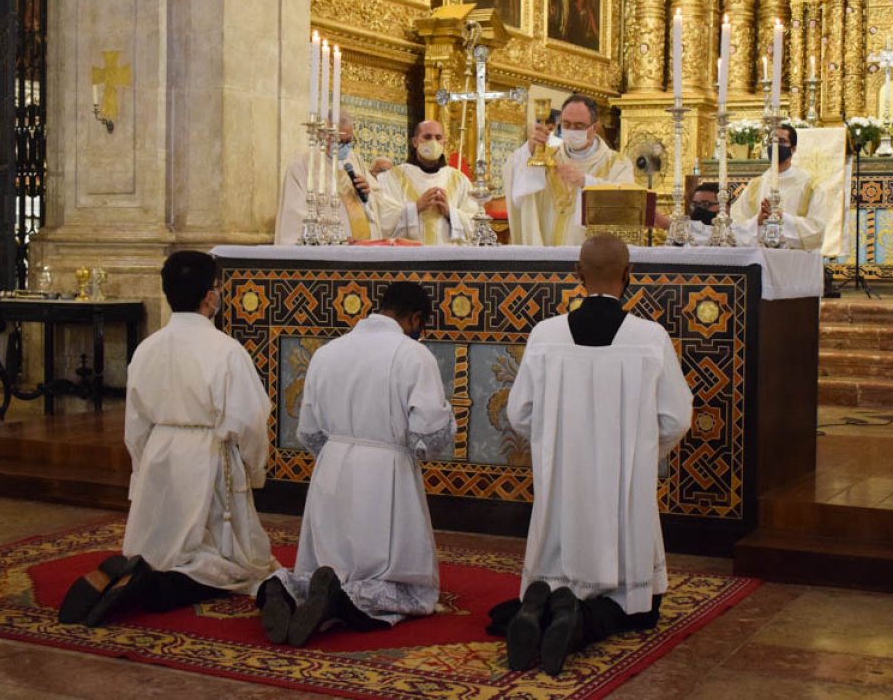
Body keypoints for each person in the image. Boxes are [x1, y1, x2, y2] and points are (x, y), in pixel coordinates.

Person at [488, 234, 694, 676]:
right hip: (625, 492)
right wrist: (637, 450)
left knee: (535, 584)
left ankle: (545, 601)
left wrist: (553, 442)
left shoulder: (546, 335)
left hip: (562, 483)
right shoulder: (649, 337)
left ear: (577, 275)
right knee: (640, 613)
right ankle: (578, 620)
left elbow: (518, 413)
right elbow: (676, 418)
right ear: (629, 275)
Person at [59, 251, 276, 626]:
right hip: (208, 457)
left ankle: (142, 573)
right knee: (240, 568)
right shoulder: (226, 351)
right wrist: (255, 470)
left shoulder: (147, 348)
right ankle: (162, 588)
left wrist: (143, 472)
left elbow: (136, 423)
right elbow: (251, 421)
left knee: (160, 547)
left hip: (160, 454)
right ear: (211, 296)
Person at [258, 282, 457, 646]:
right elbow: (428, 435)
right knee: (399, 584)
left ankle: (285, 589)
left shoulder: (328, 352)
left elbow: (308, 430)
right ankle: (338, 599)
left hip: (332, 465)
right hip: (386, 471)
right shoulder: (413, 355)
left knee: (327, 559)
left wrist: (337, 455)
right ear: (415, 317)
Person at [504, 95, 637, 246]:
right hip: (547, 259)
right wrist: (530, 148)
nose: (572, 130)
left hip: (590, 261)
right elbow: (511, 171)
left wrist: (586, 182)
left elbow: (628, 204)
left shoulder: (618, 164)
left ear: (595, 127)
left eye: (579, 126)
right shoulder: (546, 158)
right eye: (566, 124)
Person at [275, 111, 382, 244]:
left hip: (364, 247)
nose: (346, 147)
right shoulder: (302, 168)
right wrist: (328, 238)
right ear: (323, 135)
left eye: (349, 141)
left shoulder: (355, 161)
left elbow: (379, 203)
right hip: (331, 250)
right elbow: (295, 219)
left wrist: (367, 195)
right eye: (340, 140)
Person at [377, 120, 481, 244]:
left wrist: (450, 212)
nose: (433, 142)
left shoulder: (460, 180)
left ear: (444, 143)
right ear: (415, 142)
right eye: (427, 137)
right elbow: (382, 219)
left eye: (438, 138)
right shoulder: (392, 178)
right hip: (409, 258)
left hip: (448, 258)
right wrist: (415, 208)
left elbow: (475, 224)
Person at [730, 124, 828, 250]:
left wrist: (782, 218)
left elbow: (818, 230)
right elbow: (735, 226)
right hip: (760, 259)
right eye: (771, 141)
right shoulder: (755, 185)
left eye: (781, 141)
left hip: (795, 262)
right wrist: (757, 222)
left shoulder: (809, 186)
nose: (775, 146)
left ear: (793, 149)